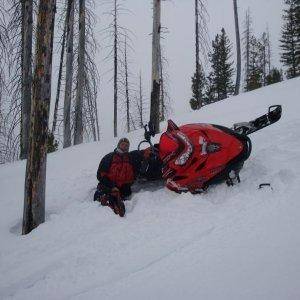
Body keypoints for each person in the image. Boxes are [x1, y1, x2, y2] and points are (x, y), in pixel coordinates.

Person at [94, 138, 148, 217]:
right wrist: (111, 186)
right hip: (110, 185)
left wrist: (146, 152)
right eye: (123, 144)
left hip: (124, 188)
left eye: (127, 145)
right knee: (108, 193)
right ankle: (106, 199)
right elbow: (100, 175)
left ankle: (115, 202)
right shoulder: (109, 157)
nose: (124, 147)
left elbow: (138, 153)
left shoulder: (130, 157)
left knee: (123, 195)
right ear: (118, 145)